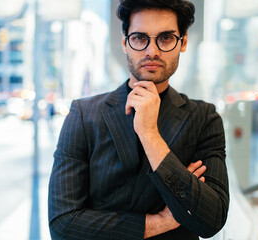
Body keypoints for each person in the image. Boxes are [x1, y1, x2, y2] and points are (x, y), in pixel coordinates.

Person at [48, 0, 229, 239]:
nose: (151, 51)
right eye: (139, 38)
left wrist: (150, 134)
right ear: (125, 43)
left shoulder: (204, 117)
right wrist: (160, 222)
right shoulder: (83, 115)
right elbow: (63, 224)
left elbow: (211, 219)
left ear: (183, 42)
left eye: (165, 38)